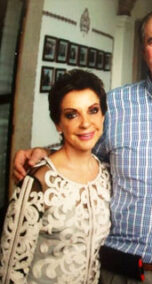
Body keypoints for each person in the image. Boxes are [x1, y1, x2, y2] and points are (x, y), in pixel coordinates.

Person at [13, 8, 152, 284]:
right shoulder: (113, 106)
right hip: (123, 272)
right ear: (143, 50)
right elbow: (79, 152)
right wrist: (44, 153)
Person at [0, 69, 111, 283]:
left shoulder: (105, 175)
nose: (85, 123)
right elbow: (10, 271)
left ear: (103, 115)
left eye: (93, 110)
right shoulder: (37, 183)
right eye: (72, 114)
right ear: (58, 124)